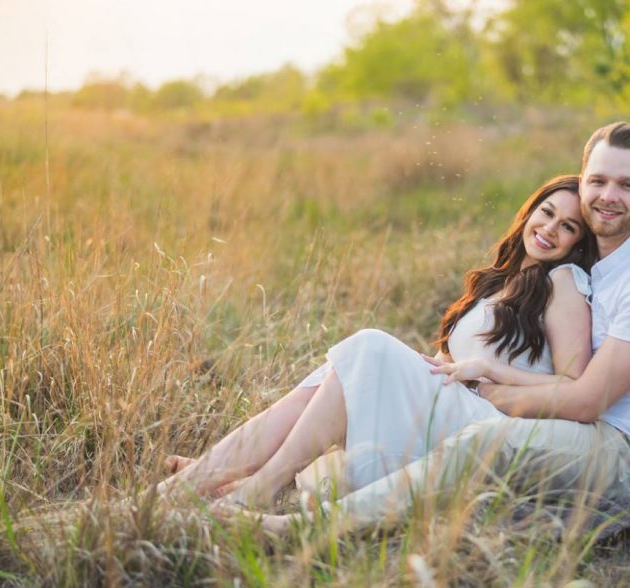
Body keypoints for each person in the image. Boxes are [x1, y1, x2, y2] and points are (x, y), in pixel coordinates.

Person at [234, 121, 630, 534]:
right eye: (598, 181)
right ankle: (252, 476)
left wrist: (485, 392)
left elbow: (586, 400)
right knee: (367, 364)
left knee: (486, 439)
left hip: (624, 452)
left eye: (627, 185)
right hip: (580, 427)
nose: (608, 196)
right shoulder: (598, 260)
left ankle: (298, 529)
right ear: (581, 184)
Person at [156, 174, 599, 512]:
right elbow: (464, 356)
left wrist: (489, 372)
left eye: (569, 227)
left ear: (578, 244)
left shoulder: (564, 282)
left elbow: (572, 382)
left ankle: (259, 484)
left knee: (369, 346)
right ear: (531, 209)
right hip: (452, 405)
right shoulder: (503, 279)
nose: (550, 229)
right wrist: (440, 364)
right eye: (546, 212)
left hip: (485, 427)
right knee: (340, 371)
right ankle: (195, 480)